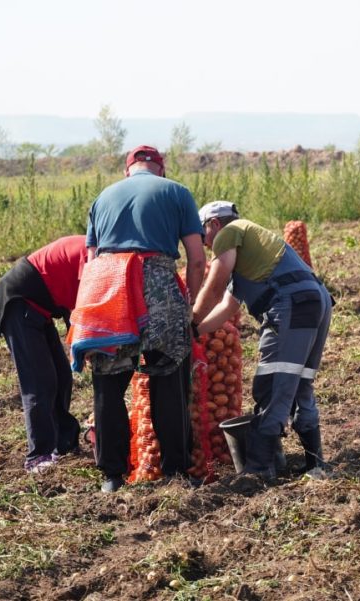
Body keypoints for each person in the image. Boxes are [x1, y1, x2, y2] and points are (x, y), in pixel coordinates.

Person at [78, 145, 206, 493]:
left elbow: (90, 262)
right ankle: (176, 472)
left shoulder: (102, 198)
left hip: (109, 288)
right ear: (160, 170)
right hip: (158, 285)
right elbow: (196, 259)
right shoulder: (176, 192)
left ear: (127, 171)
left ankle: (112, 476)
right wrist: (191, 305)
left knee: (108, 385)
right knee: (169, 380)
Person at [191, 201, 333, 480]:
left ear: (215, 224)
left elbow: (215, 285)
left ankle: (258, 469)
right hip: (316, 301)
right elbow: (227, 308)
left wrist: (192, 319)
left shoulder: (229, 233)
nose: (206, 245)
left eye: (202, 234)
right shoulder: (253, 256)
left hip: (292, 305)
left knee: (272, 384)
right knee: (300, 383)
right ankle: (315, 463)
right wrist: (195, 333)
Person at [0, 235, 85, 474]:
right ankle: (38, 455)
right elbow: (85, 307)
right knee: (40, 382)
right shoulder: (92, 255)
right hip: (19, 302)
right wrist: (87, 346)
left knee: (62, 376)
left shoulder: (95, 251)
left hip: (41, 306)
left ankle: (63, 443)